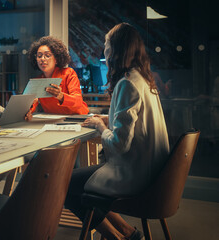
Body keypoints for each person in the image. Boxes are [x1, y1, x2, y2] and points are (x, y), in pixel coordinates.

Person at [64, 23, 170, 240]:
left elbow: (119, 146)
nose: (103, 47)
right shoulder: (143, 79)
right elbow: (137, 124)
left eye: (106, 43)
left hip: (135, 175)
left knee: (63, 184)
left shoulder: (127, 84)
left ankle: (116, 237)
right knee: (80, 184)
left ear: (115, 49)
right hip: (155, 172)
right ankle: (128, 234)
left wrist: (101, 126)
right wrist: (107, 119)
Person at [25, 36, 89, 121]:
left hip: (77, 118)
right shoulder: (38, 80)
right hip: (53, 121)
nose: (42, 59)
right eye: (39, 56)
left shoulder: (68, 73)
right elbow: (33, 103)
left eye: (47, 55)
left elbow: (78, 101)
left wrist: (61, 96)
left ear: (56, 59)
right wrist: (28, 112)